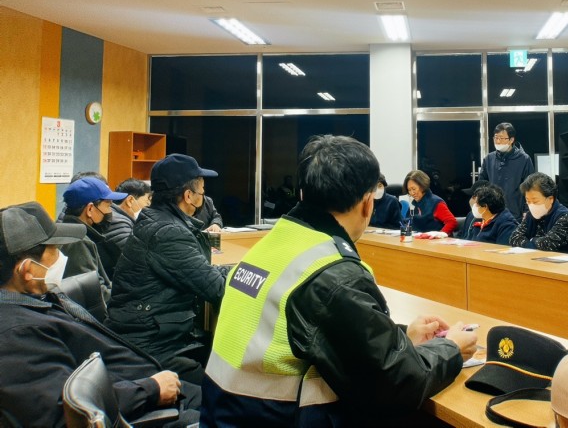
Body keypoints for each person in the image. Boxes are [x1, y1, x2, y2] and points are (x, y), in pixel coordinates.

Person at [201, 135, 477, 426]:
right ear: (367, 204)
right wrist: (452, 348)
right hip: (277, 417)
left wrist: (404, 335)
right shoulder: (333, 273)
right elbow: (396, 383)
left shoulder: (276, 242)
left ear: (303, 193)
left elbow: (322, 328)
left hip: (225, 412)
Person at [0, 201, 200, 427]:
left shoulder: (38, 297)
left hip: (145, 387)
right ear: (27, 269)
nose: (61, 257)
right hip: (141, 411)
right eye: (55, 249)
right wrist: (150, 389)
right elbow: (69, 413)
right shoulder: (15, 335)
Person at [106, 154, 230, 384]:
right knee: (222, 385)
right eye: (202, 192)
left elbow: (201, 270)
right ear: (188, 196)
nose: (203, 198)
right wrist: (249, 275)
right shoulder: (168, 233)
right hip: (152, 346)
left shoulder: (155, 219)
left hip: (152, 332)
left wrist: (232, 271)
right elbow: (217, 288)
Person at [62, 176, 128, 294]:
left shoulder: (67, 231)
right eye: (108, 206)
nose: (110, 212)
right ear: (90, 209)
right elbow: (93, 293)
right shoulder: (79, 242)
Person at [509, 173, 568, 255]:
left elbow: (547, 245)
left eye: (535, 201)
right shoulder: (530, 216)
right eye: (528, 201)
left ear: (550, 199)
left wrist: (531, 240)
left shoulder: (566, 217)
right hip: (540, 260)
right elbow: (514, 238)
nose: (531, 205)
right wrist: (534, 242)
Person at [478, 123, 534, 222]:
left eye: (501, 138)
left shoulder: (524, 159)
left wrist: (527, 210)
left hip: (515, 213)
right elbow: (482, 185)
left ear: (511, 140)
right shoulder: (489, 159)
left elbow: (530, 187)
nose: (498, 141)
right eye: (496, 138)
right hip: (492, 213)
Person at [404, 169, 458, 236]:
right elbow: (407, 223)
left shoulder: (436, 203)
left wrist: (439, 235)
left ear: (423, 186)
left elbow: (452, 222)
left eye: (414, 189)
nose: (412, 193)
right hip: (417, 239)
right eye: (409, 190)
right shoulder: (413, 204)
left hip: (434, 241)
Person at [109, 178, 152, 253]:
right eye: (147, 203)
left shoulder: (117, 216)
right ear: (130, 201)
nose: (149, 208)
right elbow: (135, 253)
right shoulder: (118, 223)